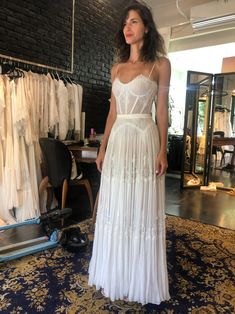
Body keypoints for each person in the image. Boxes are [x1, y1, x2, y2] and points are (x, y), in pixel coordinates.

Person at [88, 2, 171, 305]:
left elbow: (161, 110)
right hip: (120, 140)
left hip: (144, 137)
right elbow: (112, 111)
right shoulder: (116, 68)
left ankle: (139, 277)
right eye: (125, 22)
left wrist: (163, 148)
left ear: (146, 28)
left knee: (141, 207)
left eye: (134, 22)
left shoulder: (160, 64)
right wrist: (102, 146)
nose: (127, 27)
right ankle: (115, 273)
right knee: (118, 204)